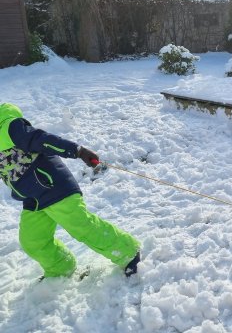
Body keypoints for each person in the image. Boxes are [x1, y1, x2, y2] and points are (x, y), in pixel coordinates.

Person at [0, 103, 140, 279]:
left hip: (53, 186)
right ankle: (61, 267)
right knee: (32, 241)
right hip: (33, 198)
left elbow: (43, 140)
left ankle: (128, 253)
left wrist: (78, 151)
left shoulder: (9, 126)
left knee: (81, 226)